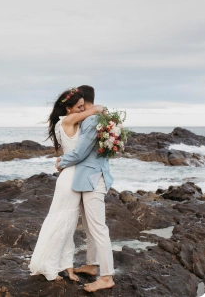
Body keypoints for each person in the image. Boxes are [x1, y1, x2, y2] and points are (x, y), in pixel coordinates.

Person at [28, 87, 104, 281]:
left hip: (71, 175)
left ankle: (67, 266)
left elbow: (71, 150)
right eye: (78, 106)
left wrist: (61, 161)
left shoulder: (70, 122)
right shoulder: (67, 120)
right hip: (70, 178)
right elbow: (95, 110)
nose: (81, 109)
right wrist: (98, 108)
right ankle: (52, 269)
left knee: (68, 225)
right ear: (68, 108)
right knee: (62, 223)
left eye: (82, 106)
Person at [56, 85, 115, 292]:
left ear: (83, 100)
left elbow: (80, 152)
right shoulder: (97, 117)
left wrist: (61, 162)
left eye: (81, 104)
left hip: (92, 179)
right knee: (90, 227)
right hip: (89, 178)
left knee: (98, 228)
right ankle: (91, 265)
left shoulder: (91, 120)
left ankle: (106, 277)